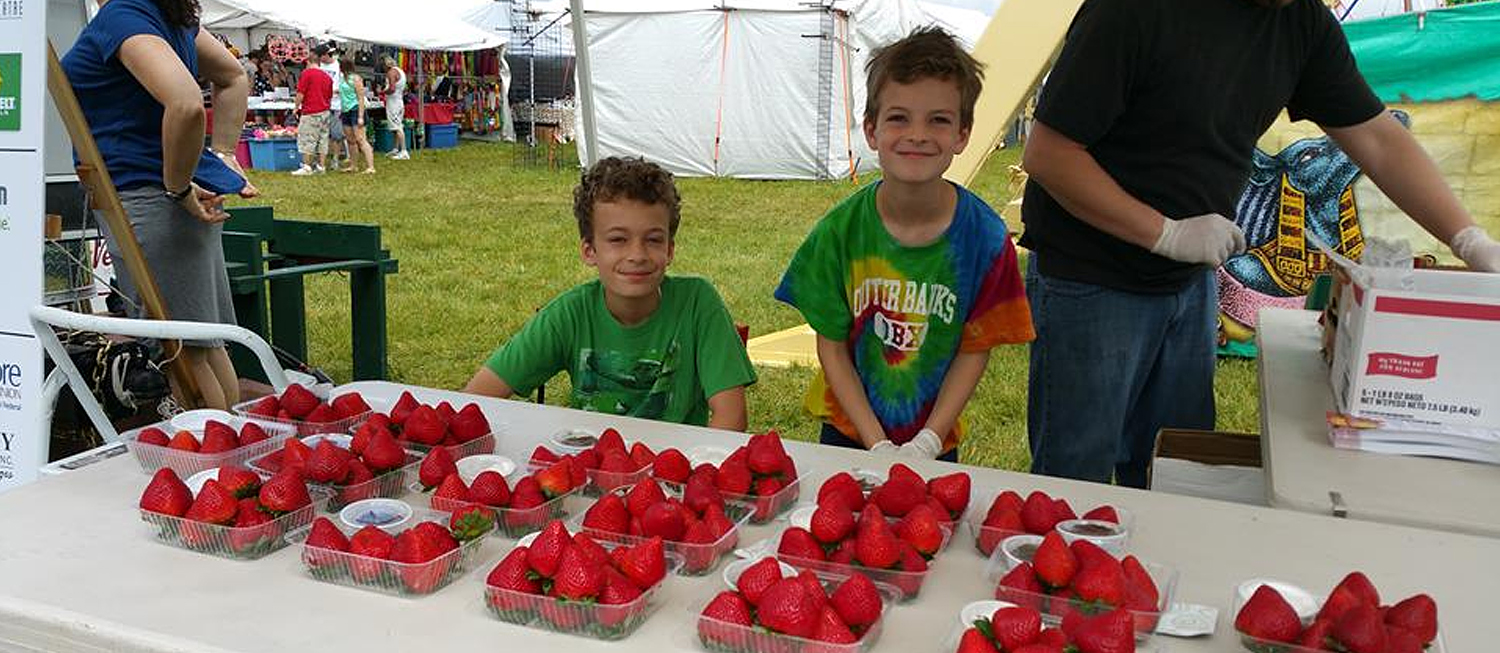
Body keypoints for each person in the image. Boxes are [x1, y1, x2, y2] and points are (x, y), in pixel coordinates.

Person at [1019, 0, 1500, 487]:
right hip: (1090, 275)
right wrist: (1164, 232)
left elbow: (1378, 138)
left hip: (1188, 281)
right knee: (1075, 475)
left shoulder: (1300, 21)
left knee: (1174, 470)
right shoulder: (1131, 11)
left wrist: (1470, 241)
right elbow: (1050, 154)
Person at [774, 27, 1036, 462]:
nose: (917, 134)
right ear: (871, 130)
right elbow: (831, 347)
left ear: (963, 134)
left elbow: (975, 348)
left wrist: (929, 441)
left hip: (934, 439)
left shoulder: (986, 239)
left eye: (938, 120)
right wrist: (875, 443)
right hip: (848, 428)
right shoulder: (839, 233)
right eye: (899, 118)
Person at [62, 0, 260, 410]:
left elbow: (186, 103)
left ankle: (210, 446)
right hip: (171, 196)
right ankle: (224, 442)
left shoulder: (122, 15)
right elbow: (232, 75)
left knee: (183, 354)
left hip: (152, 199)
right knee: (202, 345)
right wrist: (221, 154)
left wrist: (178, 187)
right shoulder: (165, 13)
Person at [464, 156, 757, 430]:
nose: (637, 255)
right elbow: (474, 400)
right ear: (589, 250)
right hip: (591, 464)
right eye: (618, 239)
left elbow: (732, 417)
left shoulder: (698, 303)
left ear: (669, 250)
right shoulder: (570, 314)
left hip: (679, 467)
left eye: (653, 240)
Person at [291, 46, 333, 175]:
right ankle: (321, 166)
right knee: (323, 140)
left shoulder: (307, 74)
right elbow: (329, 96)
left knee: (307, 139)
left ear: (308, 62)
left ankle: (307, 166)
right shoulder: (327, 77)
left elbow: (300, 93)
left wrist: (296, 107)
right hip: (325, 111)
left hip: (311, 111)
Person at [339, 57, 375, 174]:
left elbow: (360, 98)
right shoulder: (342, 78)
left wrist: (360, 116)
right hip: (345, 110)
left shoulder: (356, 78)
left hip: (355, 109)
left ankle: (371, 167)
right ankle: (353, 165)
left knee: (361, 139)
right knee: (350, 140)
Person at [316, 43, 348, 170]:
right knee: (322, 133)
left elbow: (345, 85)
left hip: (336, 104)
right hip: (322, 103)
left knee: (336, 134)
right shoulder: (319, 66)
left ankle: (335, 159)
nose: (319, 59)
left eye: (320, 56)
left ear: (325, 55)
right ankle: (322, 160)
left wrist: (335, 91)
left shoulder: (338, 66)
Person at [381, 55, 410, 160]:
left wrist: (383, 91)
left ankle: (404, 151)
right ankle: (396, 148)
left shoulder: (391, 72)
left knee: (397, 127)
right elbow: (404, 89)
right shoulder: (400, 71)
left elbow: (392, 89)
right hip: (399, 100)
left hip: (393, 102)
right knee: (396, 126)